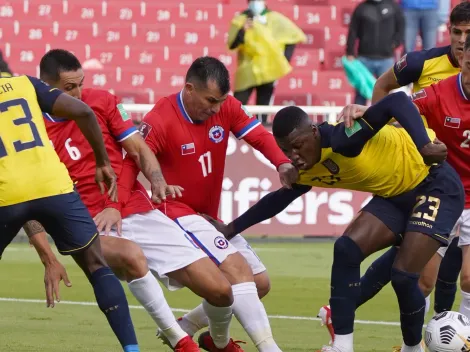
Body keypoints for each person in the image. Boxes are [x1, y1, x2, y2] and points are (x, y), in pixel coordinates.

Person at [203, 93, 465, 352]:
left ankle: (412, 349)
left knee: (403, 275)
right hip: (395, 195)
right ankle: (342, 345)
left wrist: (423, 145)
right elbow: (278, 200)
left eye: (298, 145)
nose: (293, 155)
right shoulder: (303, 168)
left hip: (434, 182)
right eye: (285, 150)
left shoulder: (345, 139)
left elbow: (397, 101)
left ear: (314, 132)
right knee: (346, 249)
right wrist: (230, 229)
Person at [101, 56, 299, 352]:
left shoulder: (226, 107)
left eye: (220, 101)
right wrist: (116, 204)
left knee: (259, 283)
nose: (216, 108)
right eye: (210, 100)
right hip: (177, 213)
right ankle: (253, 346)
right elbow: (134, 161)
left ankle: (191, 326)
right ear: (189, 89)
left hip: (208, 216)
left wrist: (281, 163)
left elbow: (257, 134)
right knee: (236, 269)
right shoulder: (161, 117)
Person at [0, 73, 141, 352]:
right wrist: (102, 161)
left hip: (5, 193)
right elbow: (83, 111)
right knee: (97, 266)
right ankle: (132, 349)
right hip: (53, 185)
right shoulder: (24, 83)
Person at [372, 1, 470, 104]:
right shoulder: (418, 62)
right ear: (450, 31)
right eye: (457, 32)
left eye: (469, 33)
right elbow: (381, 85)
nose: (462, 40)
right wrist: (376, 119)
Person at [228, 0, 306, 125]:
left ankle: (260, 132)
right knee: (237, 105)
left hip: (268, 71)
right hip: (247, 71)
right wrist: (242, 31)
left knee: (263, 107)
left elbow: (293, 36)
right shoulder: (241, 19)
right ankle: (231, 129)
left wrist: (284, 61)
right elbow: (232, 44)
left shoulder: (275, 19)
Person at [345, 0, 404, 104]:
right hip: (364, 58)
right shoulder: (361, 8)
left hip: (386, 59)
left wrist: (395, 43)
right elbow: (353, 30)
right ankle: (357, 120)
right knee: (361, 94)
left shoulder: (393, 7)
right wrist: (350, 51)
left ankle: (383, 120)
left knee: (385, 95)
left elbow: (401, 27)